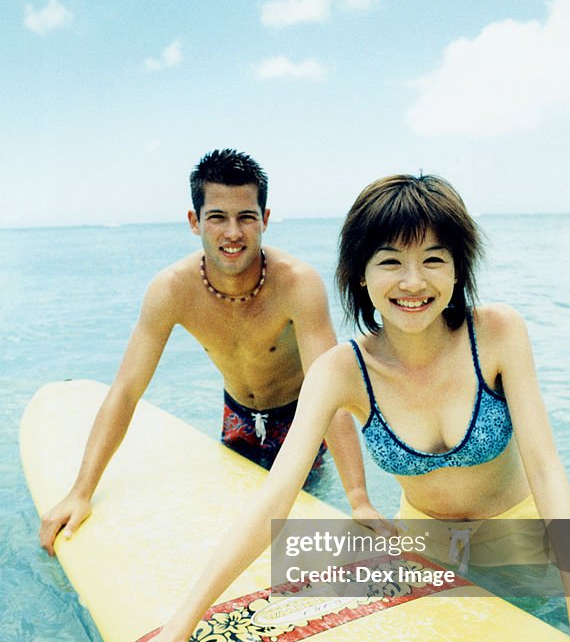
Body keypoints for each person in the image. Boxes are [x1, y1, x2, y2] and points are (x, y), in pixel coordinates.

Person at [120, 172, 570, 642]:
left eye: (434, 259)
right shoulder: (341, 371)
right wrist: (178, 629)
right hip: (426, 559)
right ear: (362, 275)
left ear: (458, 267)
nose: (413, 282)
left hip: (525, 547)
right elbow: (273, 499)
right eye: (391, 260)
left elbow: (546, 468)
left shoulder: (497, 334)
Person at [39, 149, 381, 556]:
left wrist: (359, 499)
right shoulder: (171, 290)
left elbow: (331, 393)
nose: (232, 232)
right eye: (217, 217)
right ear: (194, 221)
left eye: (246, 217)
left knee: (293, 532)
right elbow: (126, 390)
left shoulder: (297, 285)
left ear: (265, 220)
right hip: (235, 417)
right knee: (236, 525)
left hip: (299, 425)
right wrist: (81, 491)